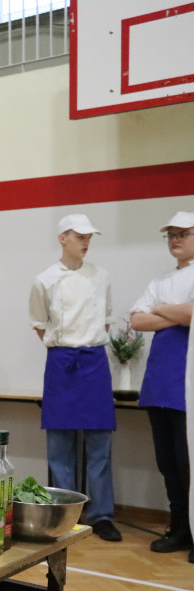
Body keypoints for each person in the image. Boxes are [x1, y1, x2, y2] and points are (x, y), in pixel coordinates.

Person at [29, 214, 120, 542]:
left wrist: (86, 343)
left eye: (89, 237)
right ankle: (63, 512)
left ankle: (102, 514)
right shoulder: (45, 279)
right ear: (62, 238)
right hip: (61, 362)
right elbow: (39, 323)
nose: (86, 242)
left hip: (94, 361)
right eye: (79, 236)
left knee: (100, 442)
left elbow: (107, 320)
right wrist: (65, 349)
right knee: (59, 444)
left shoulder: (102, 276)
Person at [130, 211, 194, 558]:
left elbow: (191, 315)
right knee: (168, 462)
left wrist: (164, 310)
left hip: (187, 385)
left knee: (190, 463)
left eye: (183, 233)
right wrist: (178, 311)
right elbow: (137, 319)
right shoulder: (161, 280)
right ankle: (180, 528)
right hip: (159, 384)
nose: (175, 239)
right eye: (170, 234)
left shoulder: (166, 289)